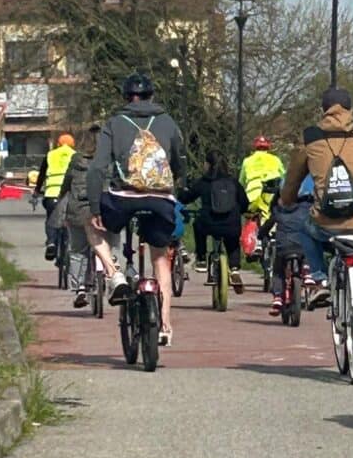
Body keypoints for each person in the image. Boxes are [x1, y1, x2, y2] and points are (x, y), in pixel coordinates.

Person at [280, 86, 353, 362]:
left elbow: (293, 178)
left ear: (323, 110)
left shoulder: (310, 137)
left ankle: (319, 278)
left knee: (305, 228)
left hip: (326, 224)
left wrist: (287, 200)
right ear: (350, 110)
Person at [86, 72, 186, 346]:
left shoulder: (114, 123)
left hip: (123, 198)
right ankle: (165, 325)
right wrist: (175, 188)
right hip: (160, 200)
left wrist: (94, 207)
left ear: (126, 97)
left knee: (91, 226)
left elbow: (96, 169)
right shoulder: (167, 121)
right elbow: (179, 163)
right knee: (160, 258)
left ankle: (114, 274)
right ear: (151, 96)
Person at [56, 124, 118, 308]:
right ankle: (112, 274)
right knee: (108, 245)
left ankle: (79, 288)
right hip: (105, 208)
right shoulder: (110, 160)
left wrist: (60, 196)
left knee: (78, 250)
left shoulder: (76, 159)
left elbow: (67, 181)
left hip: (78, 209)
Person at [178, 151, 249, 290]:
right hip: (231, 223)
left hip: (208, 223)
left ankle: (201, 259)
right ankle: (234, 269)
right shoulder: (233, 182)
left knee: (197, 225)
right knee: (233, 242)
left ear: (208, 164)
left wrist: (181, 191)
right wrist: (237, 212)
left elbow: (186, 198)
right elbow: (245, 203)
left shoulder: (204, 182)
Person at [260, 175, 316, 316]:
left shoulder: (278, 209)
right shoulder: (307, 207)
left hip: (283, 246)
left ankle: (278, 297)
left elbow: (268, 225)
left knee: (278, 270)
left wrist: (261, 235)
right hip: (302, 246)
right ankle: (307, 271)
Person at [33, 133, 76, 262]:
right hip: (70, 194)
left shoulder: (50, 155)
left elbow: (41, 175)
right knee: (71, 220)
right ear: (73, 145)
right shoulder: (76, 156)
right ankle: (71, 245)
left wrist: (37, 190)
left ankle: (51, 242)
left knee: (51, 219)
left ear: (58, 144)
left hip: (52, 194)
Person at [239, 136, 285, 224]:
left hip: (252, 195)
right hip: (270, 195)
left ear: (255, 147)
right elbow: (283, 178)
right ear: (268, 147)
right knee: (272, 217)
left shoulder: (247, 161)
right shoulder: (276, 160)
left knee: (248, 217)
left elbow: (241, 183)